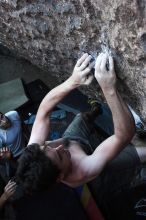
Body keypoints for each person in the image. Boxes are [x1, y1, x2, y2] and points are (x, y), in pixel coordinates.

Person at [16, 52, 141, 193]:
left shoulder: (36, 153)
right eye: (59, 156)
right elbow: (124, 135)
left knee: (82, 117)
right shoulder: (83, 171)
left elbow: (43, 111)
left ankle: (96, 109)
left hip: (74, 140)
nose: (58, 147)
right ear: (60, 176)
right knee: (142, 153)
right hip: (95, 159)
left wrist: (73, 81)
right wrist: (109, 89)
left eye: (46, 147)